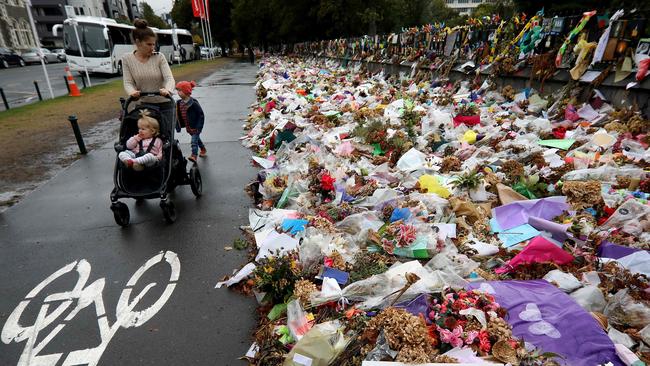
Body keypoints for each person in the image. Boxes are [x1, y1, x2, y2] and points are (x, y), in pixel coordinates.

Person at [122, 19, 175, 124]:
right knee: (145, 135)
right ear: (138, 42)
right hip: (144, 105)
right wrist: (132, 92)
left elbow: (169, 78)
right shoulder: (127, 59)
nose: (153, 48)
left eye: (153, 44)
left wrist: (167, 90)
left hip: (164, 103)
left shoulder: (159, 57)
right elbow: (128, 82)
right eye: (149, 44)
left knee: (166, 135)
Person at [175, 80, 206, 162]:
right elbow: (177, 116)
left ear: (186, 91)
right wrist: (177, 126)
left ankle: (194, 155)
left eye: (180, 90)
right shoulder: (179, 103)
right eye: (177, 90)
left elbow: (201, 115)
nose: (178, 92)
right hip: (189, 127)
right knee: (197, 140)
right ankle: (203, 149)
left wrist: (199, 127)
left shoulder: (193, 103)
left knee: (193, 142)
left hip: (195, 127)